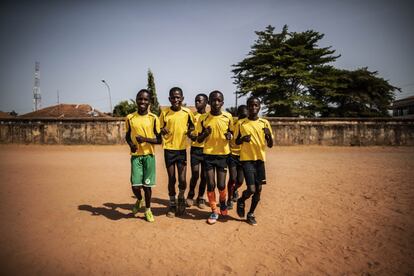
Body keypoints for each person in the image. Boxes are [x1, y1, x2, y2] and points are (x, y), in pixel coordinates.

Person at [235, 96, 273, 226]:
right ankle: (241, 199)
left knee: (259, 189)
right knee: (251, 189)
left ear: (259, 107)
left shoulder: (265, 123)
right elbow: (236, 141)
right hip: (247, 160)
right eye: (251, 105)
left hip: (260, 160)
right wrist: (243, 139)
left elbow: (271, 144)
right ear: (248, 106)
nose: (253, 107)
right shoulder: (241, 123)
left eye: (256, 105)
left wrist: (268, 135)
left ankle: (251, 214)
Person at [125, 89, 161, 223]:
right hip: (136, 156)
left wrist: (145, 139)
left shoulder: (153, 118)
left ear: (149, 102)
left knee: (147, 186)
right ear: (136, 100)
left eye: (146, 99)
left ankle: (148, 210)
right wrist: (131, 145)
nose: (142, 102)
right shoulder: (130, 118)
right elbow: (127, 136)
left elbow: (159, 140)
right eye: (140, 99)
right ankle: (139, 200)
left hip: (149, 156)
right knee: (135, 186)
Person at [197, 90, 233, 224]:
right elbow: (199, 139)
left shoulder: (228, 117)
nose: (216, 102)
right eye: (213, 100)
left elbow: (232, 132)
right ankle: (213, 210)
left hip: (223, 155)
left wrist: (230, 135)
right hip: (208, 155)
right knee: (211, 184)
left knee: (221, 184)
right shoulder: (203, 118)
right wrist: (205, 134)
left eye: (219, 100)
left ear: (222, 102)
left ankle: (222, 202)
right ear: (209, 102)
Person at [159, 87, 195, 218]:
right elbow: (159, 127)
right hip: (169, 149)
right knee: (172, 179)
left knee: (182, 179)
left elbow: (192, 126)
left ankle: (181, 196)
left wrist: (190, 132)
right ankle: (172, 204)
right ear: (169, 99)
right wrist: (162, 130)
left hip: (181, 150)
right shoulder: (165, 113)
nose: (175, 99)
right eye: (173, 97)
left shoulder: (187, 112)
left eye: (178, 97)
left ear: (182, 99)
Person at [186, 93, 208, 209]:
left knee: (204, 175)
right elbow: (188, 130)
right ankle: (190, 195)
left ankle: (200, 197)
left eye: (199, 101)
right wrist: (190, 135)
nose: (197, 103)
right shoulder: (192, 116)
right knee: (195, 174)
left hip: (207, 150)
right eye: (196, 101)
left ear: (206, 102)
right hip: (195, 149)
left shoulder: (209, 117)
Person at [226, 105, 248, 209]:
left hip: (244, 156)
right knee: (232, 178)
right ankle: (229, 199)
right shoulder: (233, 123)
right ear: (238, 114)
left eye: (245, 115)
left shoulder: (248, 124)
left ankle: (234, 190)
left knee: (240, 181)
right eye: (242, 115)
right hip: (232, 155)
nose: (244, 117)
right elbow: (228, 133)